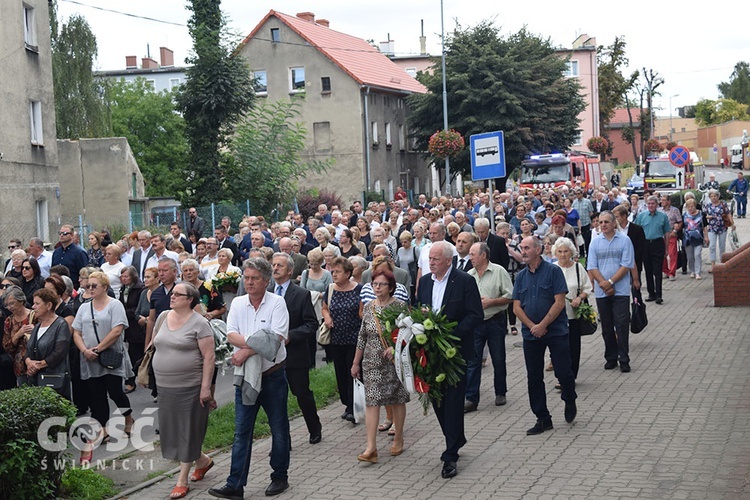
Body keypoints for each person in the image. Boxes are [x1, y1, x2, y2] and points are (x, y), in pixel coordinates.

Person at [208, 258, 291, 500]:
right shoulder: (237, 303)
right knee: (241, 431)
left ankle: (279, 477)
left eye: (255, 278)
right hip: (245, 376)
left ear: (266, 281)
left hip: (273, 376)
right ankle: (235, 485)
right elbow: (230, 334)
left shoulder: (277, 303)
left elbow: (276, 338)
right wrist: (255, 343)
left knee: (279, 428)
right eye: (246, 278)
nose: (249, 282)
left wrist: (245, 350)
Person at [416, 241, 483, 479]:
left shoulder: (464, 281)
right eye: (429, 259)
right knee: (437, 400)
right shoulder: (424, 282)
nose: (431, 263)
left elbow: (476, 314)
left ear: (448, 260)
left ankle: (450, 455)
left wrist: (450, 334)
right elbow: (418, 310)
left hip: (456, 352)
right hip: (431, 354)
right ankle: (456, 438)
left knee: (454, 402)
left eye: (435, 259)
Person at [152, 282, 215, 499]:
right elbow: (155, 345)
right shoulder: (162, 317)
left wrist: (206, 388)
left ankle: (182, 480)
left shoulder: (200, 323)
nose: (173, 296)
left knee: (187, 431)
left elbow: (209, 357)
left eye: (179, 294)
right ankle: (203, 461)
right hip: (165, 386)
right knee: (172, 431)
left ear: (190, 300)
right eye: (173, 292)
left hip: (190, 387)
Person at [512, 236, 577, 436]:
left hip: (555, 331)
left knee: (563, 371)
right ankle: (543, 418)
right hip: (531, 334)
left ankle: (569, 397)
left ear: (538, 250)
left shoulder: (553, 271)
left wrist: (543, 325)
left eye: (527, 248)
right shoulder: (521, 276)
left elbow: (559, 302)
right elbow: (516, 307)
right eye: (521, 248)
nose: (522, 251)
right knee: (534, 377)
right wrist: (533, 327)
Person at [72, 271, 133, 463]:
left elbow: (117, 330)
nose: (89, 289)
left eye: (94, 286)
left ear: (105, 287)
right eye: (87, 285)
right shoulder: (84, 307)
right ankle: (103, 430)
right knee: (96, 395)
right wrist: (84, 351)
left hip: (109, 356)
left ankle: (128, 417)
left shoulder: (115, 305)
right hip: (89, 358)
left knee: (115, 392)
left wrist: (98, 349)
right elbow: (76, 332)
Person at [351, 269, 409, 463]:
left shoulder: (399, 306)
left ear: (391, 287)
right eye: (374, 284)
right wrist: (355, 362)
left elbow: (408, 333)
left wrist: (394, 348)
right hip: (371, 362)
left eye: (381, 284)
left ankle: (399, 438)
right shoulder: (368, 308)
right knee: (372, 401)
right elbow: (362, 336)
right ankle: (371, 447)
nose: (377, 287)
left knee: (397, 398)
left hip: (394, 361)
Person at [271, 253, 322, 445]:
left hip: (294, 355)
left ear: (290, 270)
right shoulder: (267, 292)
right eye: (274, 265)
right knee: (276, 400)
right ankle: (283, 439)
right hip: (271, 357)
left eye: (280, 266)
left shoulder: (301, 294)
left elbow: (311, 324)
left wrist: (290, 336)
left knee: (302, 394)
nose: (275, 268)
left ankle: (314, 428)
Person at [464, 242, 513, 412]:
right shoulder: (469, 275)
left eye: (472, 254)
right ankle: (471, 398)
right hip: (476, 323)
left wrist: (492, 302)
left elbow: (510, 296)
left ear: (483, 255)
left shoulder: (499, 271)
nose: (470, 257)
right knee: (473, 361)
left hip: (495, 320)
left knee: (498, 359)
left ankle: (500, 392)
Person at [587, 211, 637, 373]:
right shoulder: (595, 243)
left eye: (606, 222)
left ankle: (624, 358)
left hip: (620, 291)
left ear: (613, 222)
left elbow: (626, 264)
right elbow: (591, 266)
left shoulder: (624, 240)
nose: (603, 225)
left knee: (621, 325)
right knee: (607, 326)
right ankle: (611, 357)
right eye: (600, 222)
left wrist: (610, 282)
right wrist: (602, 284)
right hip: (602, 292)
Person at [321, 257, 363, 423]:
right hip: (336, 339)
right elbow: (324, 308)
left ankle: (355, 407)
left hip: (355, 339)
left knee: (353, 372)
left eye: (338, 272)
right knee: (340, 373)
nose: (334, 275)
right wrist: (327, 318)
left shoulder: (358, 289)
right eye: (333, 272)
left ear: (348, 273)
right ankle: (347, 404)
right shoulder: (331, 289)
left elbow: (363, 311)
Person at [553, 238, 592, 382]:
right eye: (560, 251)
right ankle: (561, 377)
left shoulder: (577, 268)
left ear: (571, 252)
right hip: (556, 316)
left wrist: (579, 298)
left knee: (573, 349)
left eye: (566, 251)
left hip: (573, 315)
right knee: (558, 349)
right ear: (555, 253)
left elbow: (587, 287)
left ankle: (571, 377)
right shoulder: (552, 268)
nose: (563, 255)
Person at [24, 288, 71, 398]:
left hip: (54, 379)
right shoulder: (37, 327)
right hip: (35, 379)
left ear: (49, 305)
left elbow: (59, 352)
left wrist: (37, 366)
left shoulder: (61, 325)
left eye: (37, 303)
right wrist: (29, 363)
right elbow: (28, 350)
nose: (33, 307)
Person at [299, 248, 332, 367]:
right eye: (311, 263)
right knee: (310, 337)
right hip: (308, 306)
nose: (313, 266)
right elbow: (302, 289)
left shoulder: (327, 274)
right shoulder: (305, 273)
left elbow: (329, 290)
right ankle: (310, 364)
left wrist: (318, 295)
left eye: (316, 264)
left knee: (324, 333)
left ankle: (329, 361)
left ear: (321, 263)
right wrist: (312, 295)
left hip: (322, 306)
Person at [635, 196, 671, 304]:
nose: (650, 206)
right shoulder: (641, 216)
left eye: (652, 204)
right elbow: (636, 231)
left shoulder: (663, 216)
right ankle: (651, 293)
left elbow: (667, 233)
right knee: (648, 270)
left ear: (657, 204)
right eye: (648, 204)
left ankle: (659, 295)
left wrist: (666, 248)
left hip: (658, 243)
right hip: (645, 244)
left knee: (657, 270)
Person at [119, 266, 145, 394]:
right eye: (122, 276)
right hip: (127, 324)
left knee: (135, 354)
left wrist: (125, 312)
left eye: (126, 276)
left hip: (137, 325)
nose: (123, 279)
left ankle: (131, 381)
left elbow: (137, 308)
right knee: (132, 353)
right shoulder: (124, 288)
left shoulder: (140, 289)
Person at [2, 286, 34, 386]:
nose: (10, 307)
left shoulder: (35, 316)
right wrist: (18, 334)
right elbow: (6, 346)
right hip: (19, 367)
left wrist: (35, 329)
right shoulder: (9, 321)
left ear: (21, 300)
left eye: (12, 303)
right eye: (7, 305)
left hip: (36, 363)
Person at [659, 195, 683, 281]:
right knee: (662, 254)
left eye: (664, 200)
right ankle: (665, 271)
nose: (662, 202)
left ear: (669, 201)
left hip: (671, 234)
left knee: (672, 254)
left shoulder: (675, 210)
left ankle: (672, 273)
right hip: (661, 235)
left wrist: (675, 231)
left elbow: (680, 222)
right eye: (661, 200)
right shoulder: (659, 210)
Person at [682, 199, 707, 279]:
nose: (690, 208)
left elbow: (705, 226)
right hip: (687, 239)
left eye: (692, 206)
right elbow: (682, 226)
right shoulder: (684, 215)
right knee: (690, 257)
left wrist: (706, 236)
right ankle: (692, 270)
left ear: (695, 206)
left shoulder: (701, 214)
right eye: (688, 207)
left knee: (697, 255)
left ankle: (698, 272)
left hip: (698, 238)